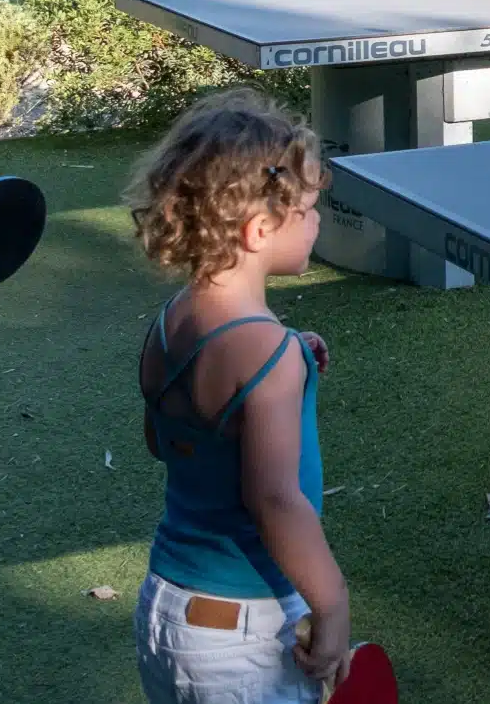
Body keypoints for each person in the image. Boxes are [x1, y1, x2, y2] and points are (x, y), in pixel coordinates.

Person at [126, 91, 353, 702]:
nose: (317, 220)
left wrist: (280, 367)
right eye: (308, 209)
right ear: (259, 230)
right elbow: (276, 500)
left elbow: (165, 438)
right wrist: (332, 605)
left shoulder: (172, 322)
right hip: (242, 636)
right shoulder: (267, 355)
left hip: (167, 610)